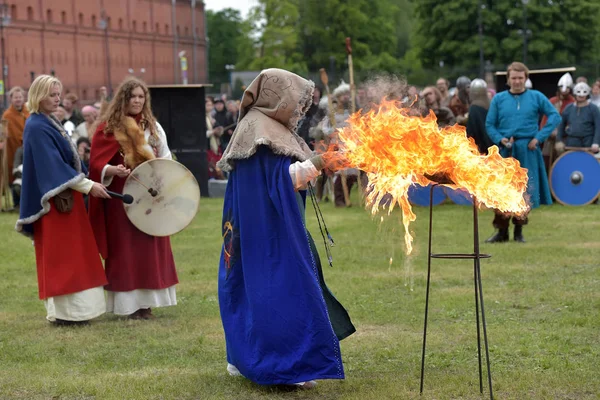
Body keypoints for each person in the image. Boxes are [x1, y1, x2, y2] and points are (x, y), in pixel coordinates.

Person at [216, 68, 354, 388]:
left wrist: (320, 161)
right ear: (278, 97)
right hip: (266, 232)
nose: (299, 109)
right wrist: (321, 163)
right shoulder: (258, 129)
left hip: (264, 227)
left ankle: (256, 356)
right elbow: (280, 180)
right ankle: (283, 363)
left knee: (258, 290)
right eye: (297, 100)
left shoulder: (269, 128)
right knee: (277, 290)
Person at [15, 75, 110, 325]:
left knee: (75, 253)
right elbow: (52, 166)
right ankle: (69, 314)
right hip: (56, 202)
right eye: (51, 95)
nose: (57, 99)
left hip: (67, 197)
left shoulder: (46, 120)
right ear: (38, 96)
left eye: (58, 94)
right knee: (64, 256)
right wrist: (89, 186)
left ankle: (77, 312)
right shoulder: (36, 125)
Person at [88, 77, 179, 320]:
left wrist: (164, 179)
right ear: (123, 99)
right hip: (123, 199)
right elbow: (96, 164)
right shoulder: (108, 127)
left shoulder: (153, 126)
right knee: (125, 250)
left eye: (141, 97)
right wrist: (112, 171)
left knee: (150, 250)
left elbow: (166, 157)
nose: (137, 101)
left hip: (151, 198)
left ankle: (147, 304)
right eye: (132, 96)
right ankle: (128, 306)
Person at [485, 62, 560, 243]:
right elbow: (490, 124)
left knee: (524, 191)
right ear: (508, 79)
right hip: (506, 151)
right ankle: (501, 231)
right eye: (514, 78)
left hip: (528, 149)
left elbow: (554, 116)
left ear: (526, 79)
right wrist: (500, 139)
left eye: (520, 78)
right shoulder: (499, 99)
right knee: (502, 190)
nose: (517, 81)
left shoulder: (536, 97)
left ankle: (519, 231)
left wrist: (539, 137)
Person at [540, 73, 575, 171]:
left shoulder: (573, 103)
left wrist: (562, 132)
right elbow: (545, 119)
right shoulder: (552, 101)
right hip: (549, 136)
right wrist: (546, 132)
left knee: (562, 160)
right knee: (546, 160)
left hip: (564, 138)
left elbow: (572, 121)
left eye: (567, 88)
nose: (564, 90)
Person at [2, 87, 30, 209]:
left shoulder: (28, 111)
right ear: (11, 99)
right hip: (14, 149)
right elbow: (6, 133)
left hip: (29, 148)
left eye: (20, 97)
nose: (18, 100)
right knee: (15, 173)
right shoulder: (7, 115)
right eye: (15, 97)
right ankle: (17, 203)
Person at [555, 82, 600, 153]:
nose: (581, 96)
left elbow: (598, 126)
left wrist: (596, 142)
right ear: (575, 94)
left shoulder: (593, 109)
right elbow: (561, 125)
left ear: (587, 95)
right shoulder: (568, 108)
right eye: (579, 94)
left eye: (583, 94)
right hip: (572, 142)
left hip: (588, 142)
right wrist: (559, 141)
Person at [465, 79, 493, 154]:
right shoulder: (491, 104)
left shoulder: (474, 107)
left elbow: (472, 130)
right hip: (492, 144)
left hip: (481, 147)